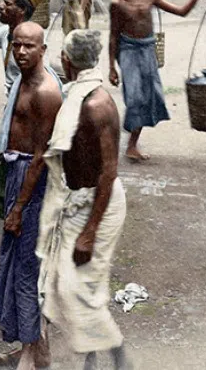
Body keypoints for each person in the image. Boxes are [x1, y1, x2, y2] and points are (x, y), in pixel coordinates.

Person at [38, 30, 130, 370]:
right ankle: (90, 359)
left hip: (99, 206)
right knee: (67, 286)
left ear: (66, 60)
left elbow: (108, 172)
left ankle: (119, 356)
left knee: (79, 289)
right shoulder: (75, 97)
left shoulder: (96, 105)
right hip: (79, 200)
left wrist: (90, 230)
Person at [0, 22, 63, 370]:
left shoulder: (46, 91)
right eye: (16, 45)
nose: (20, 52)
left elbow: (41, 156)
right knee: (16, 264)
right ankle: (34, 348)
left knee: (27, 269)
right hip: (17, 174)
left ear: (43, 49)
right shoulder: (22, 78)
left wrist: (19, 206)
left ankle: (33, 354)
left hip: (32, 184)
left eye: (28, 46)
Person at [109, 0, 206, 161]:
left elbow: (181, 12)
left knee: (150, 96)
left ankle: (132, 144)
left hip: (147, 49)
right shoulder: (117, 3)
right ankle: (124, 142)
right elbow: (113, 36)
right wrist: (112, 67)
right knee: (134, 98)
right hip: (128, 50)